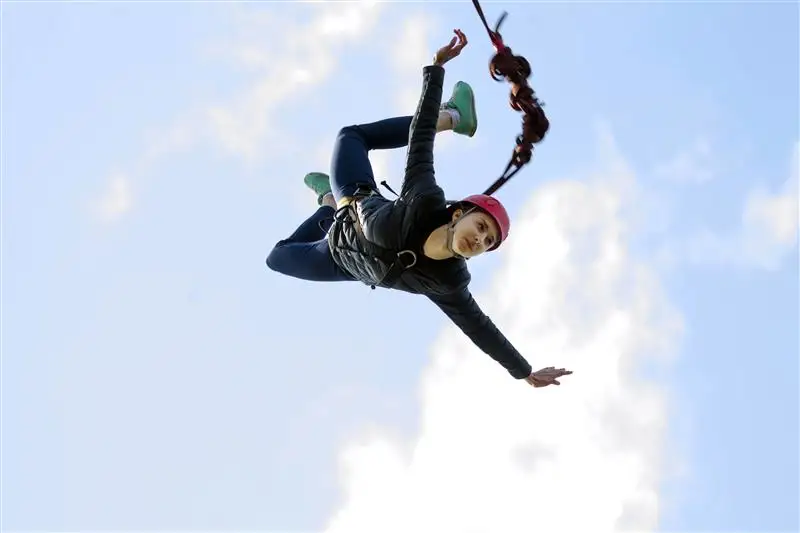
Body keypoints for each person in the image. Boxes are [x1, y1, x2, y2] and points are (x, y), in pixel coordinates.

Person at [266, 29, 572, 388]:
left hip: (342, 261)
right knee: (350, 136)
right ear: (459, 214)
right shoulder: (424, 197)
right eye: (481, 227)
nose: (481, 239)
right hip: (355, 198)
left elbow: (481, 329)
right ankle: (455, 116)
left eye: (488, 242)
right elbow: (420, 135)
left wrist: (524, 372)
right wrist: (436, 67)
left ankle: (325, 206)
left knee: (277, 257)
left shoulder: (449, 282)